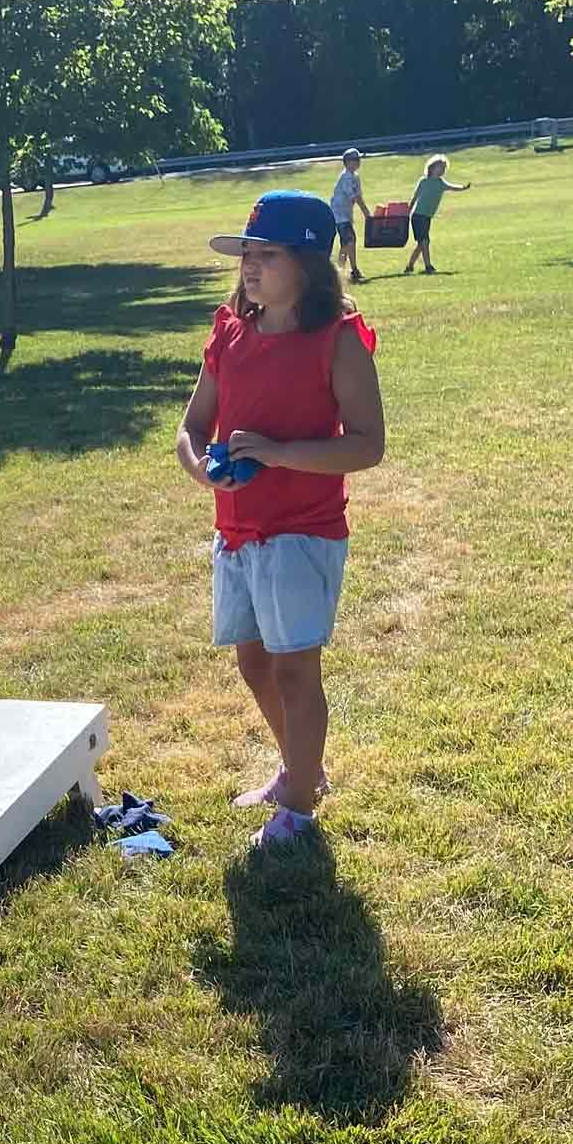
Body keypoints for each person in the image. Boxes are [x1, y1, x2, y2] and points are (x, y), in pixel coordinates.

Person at [178, 190, 385, 851]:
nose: (250, 268)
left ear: (307, 262)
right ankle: (303, 769)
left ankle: (298, 805)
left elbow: (367, 444)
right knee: (254, 662)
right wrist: (200, 469)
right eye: (246, 255)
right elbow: (190, 426)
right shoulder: (229, 330)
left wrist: (278, 455)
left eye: (267, 256)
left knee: (296, 670)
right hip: (236, 531)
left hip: (301, 531)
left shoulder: (337, 340)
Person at [405, 156, 471, 275]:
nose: (442, 170)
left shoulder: (441, 183)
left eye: (444, 168)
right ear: (432, 168)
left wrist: (463, 188)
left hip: (427, 217)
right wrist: (407, 213)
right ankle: (428, 266)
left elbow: (452, 188)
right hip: (418, 216)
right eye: (440, 167)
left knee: (422, 244)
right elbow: (415, 197)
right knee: (424, 242)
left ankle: (409, 266)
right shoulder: (423, 181)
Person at [330, 147, 370, 283]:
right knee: (349, 241)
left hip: (346, 215)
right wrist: (366, 212)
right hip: (339, 215)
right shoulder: (346, 177)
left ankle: (339, 273)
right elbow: (354, 197)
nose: (357, 162)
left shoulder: (355, 177)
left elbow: (358, 196)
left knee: (347, 243)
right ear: (346, 162)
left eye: (358, 159)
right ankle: (353, 271)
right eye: (354, 160)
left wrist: (364, 211)